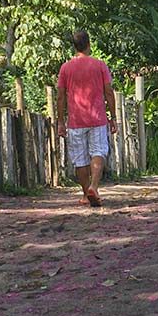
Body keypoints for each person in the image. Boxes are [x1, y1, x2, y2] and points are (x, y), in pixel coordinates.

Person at [57, 30, 117, 207]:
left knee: (80, 158)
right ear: (89, 44)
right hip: (97, 118)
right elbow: (109, 92)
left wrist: (61, 121)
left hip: (76, 121)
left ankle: (85, 194)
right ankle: (94, 187)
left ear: (74, 46)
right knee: (98, 151)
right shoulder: (100, 65)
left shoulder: (66, 68)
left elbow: (60, 96)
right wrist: (113, 117)